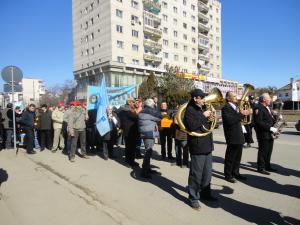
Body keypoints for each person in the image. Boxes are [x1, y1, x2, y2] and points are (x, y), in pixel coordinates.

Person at [183, 89, 217, 210]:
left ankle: (205, 194)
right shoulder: (189, 110)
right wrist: (204, 115)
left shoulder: (203, 108)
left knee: (207, 174)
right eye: (202, 98)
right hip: (197, 146)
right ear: (195, 98)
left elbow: (210, 125)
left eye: (204, 97)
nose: (204, 100)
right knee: (196, 174)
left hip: (207, 145)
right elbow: (191, 125)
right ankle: (193, 198)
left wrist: (214, 117)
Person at [222, 92, 252, 183]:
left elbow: (239, 119)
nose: (236, 97)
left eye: (236, 96)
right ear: (228, 98)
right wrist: (242, 113)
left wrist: (246, 114)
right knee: (230, 157)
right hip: (232, 135)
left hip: (239, 134)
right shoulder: (226, 108)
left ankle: (236, 173)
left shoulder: (235, 107)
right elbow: (230, 121)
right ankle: (228, 175)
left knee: (238, 157)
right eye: (234, 96)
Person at [254, 93, 277, 175]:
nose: (270, 100)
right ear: (264, 99)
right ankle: (261, 167)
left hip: (270, 133)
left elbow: (269, 120)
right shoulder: (258, 108)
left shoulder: (267, 108)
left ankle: (267, 165)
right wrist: (270, 128)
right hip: (263, 133)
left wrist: (276, 117)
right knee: (263, 151)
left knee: (269, 151)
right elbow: (258, 122)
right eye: (269, 98)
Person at [138, 99, 162, 178]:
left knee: (148, 151)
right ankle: (144, 172)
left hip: (144, 133)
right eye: (154, 104)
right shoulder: (150, 111)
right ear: (152, 105)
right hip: (148, 133)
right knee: (148, 152)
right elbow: (159, 117)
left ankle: (147, 169)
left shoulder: (143, 111)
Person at [118, 98, 139, 167]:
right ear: (129, 103)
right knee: (130, 148)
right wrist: (137, 110)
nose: (134, 103)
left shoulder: (123, 111)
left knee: (131, 147)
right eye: (133, 102)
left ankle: (131, 161)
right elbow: (136, 117)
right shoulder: (128, 112)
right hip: (130, 132)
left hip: (130, 132)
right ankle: (128, 162)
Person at [173, 100, 189, 168]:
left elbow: (187, 123)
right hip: (177, 134)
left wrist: (178, 123)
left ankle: (185, 163)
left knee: (185, 150)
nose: (178, 106)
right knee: (177, 150)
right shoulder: (177, 112)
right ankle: (178, 162)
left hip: (184, 134)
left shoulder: (187, 112)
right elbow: (174, 122)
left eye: (179, 104)